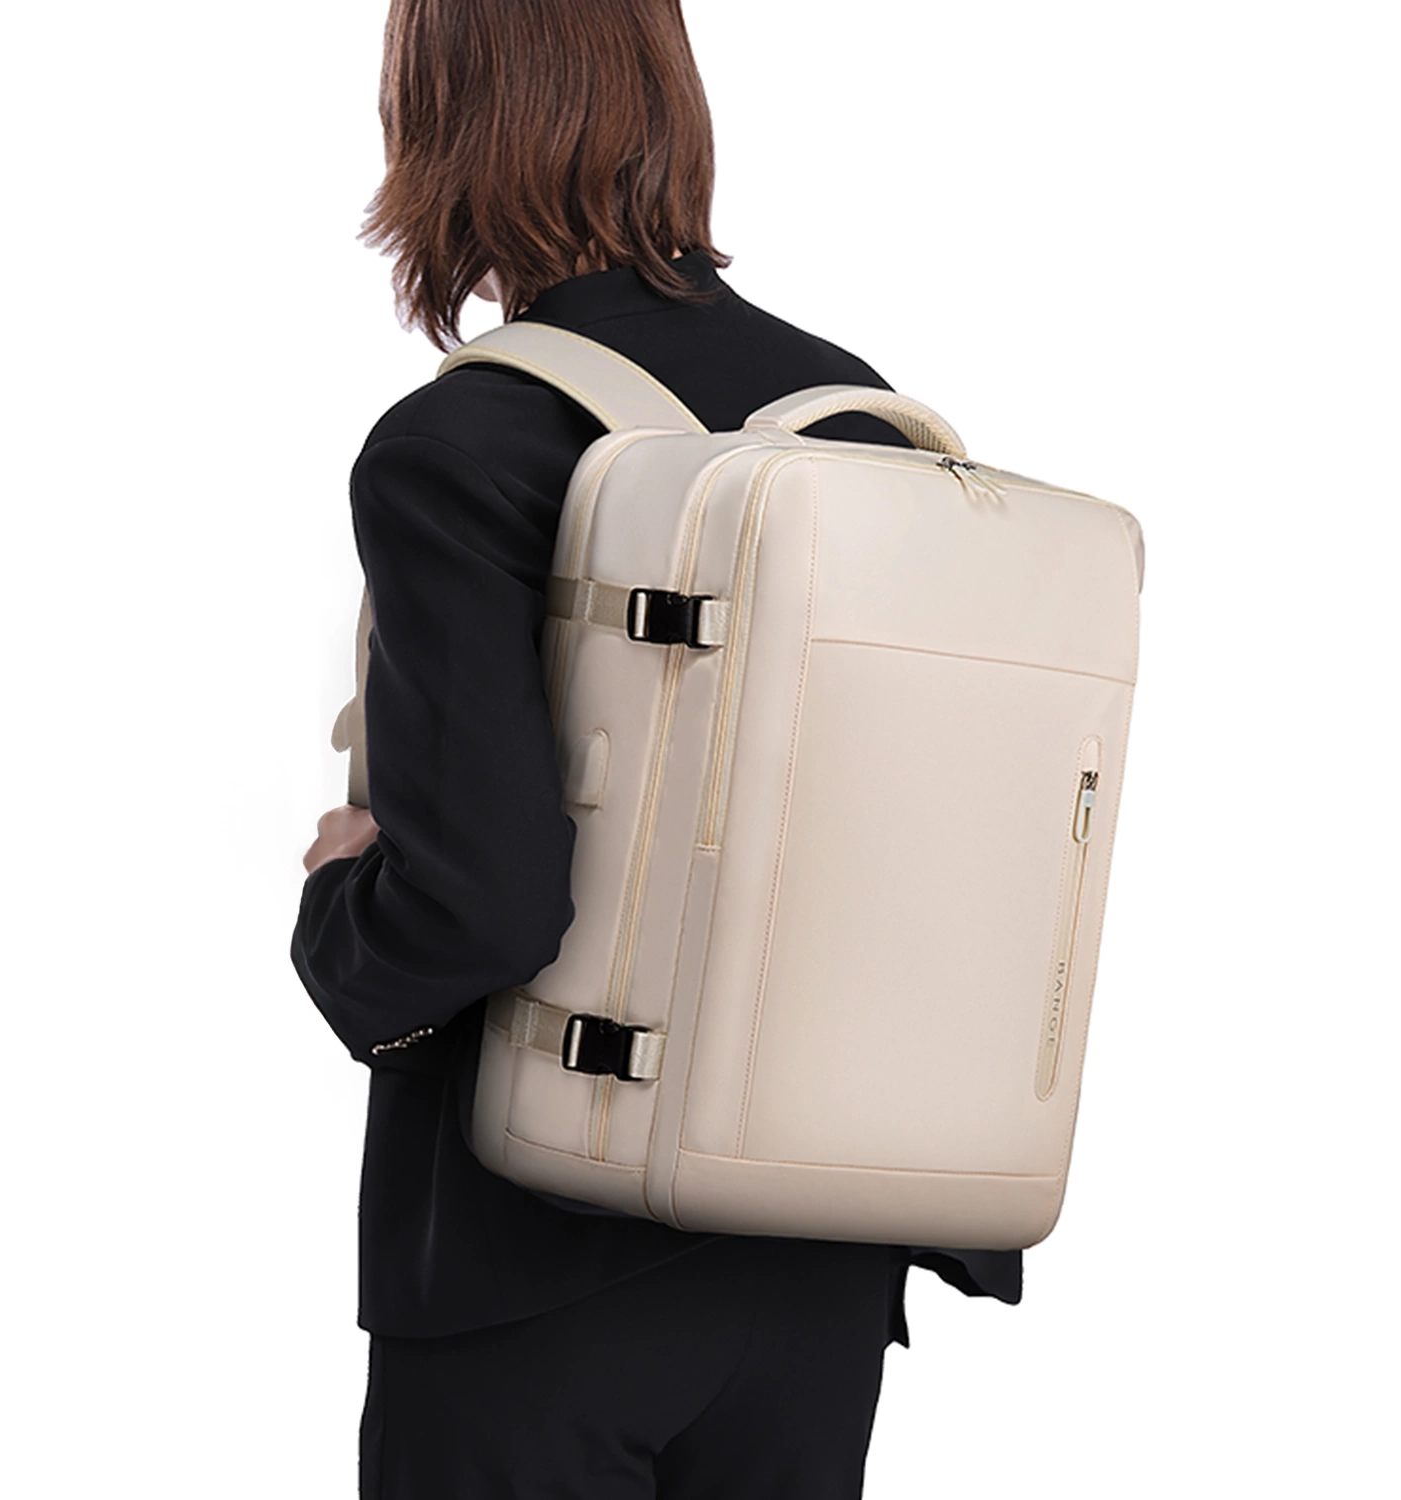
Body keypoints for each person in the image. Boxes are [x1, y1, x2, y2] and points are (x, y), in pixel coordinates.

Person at [291, 2, 1020, 1494]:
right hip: (819, 1260)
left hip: (530, 1269)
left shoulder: (458, 445)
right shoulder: (867, 423)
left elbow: (486, 902)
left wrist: (340, 913)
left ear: (435, 124)